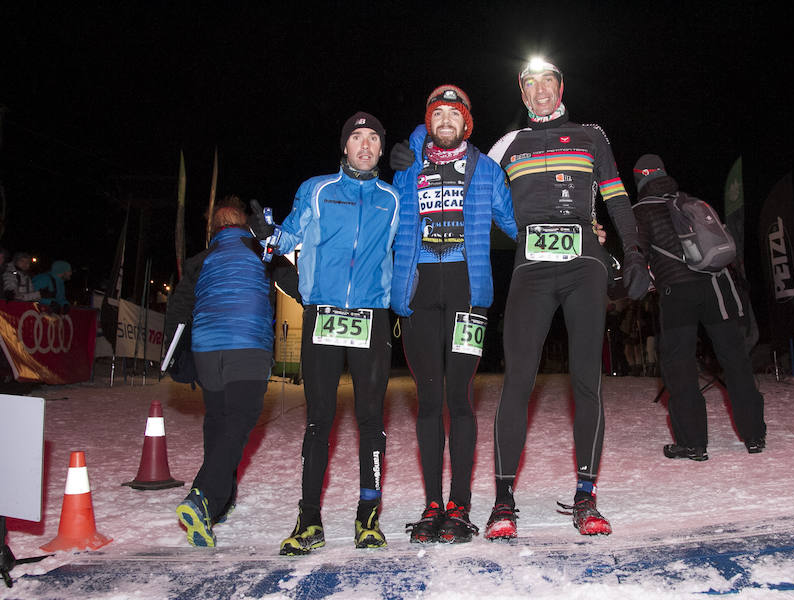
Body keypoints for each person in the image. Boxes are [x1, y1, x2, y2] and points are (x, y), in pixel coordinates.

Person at [484, 58, 650, 540]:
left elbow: (616, 197)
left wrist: (633, 254)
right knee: (518, 379)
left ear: (561, 87)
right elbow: (464, 183)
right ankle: (503, 501)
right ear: (522, 92)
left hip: (585, 265)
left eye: (548, 81)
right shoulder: (505, 146)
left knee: (586, 380)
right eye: (530, 83)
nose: (540, 90)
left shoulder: (591, 135)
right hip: (531, 268)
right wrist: (419, 155)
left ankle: (586, 495)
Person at [252, 112, 400, 555]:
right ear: (344, 146)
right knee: (319, 420)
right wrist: (266, 235)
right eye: (357, 137)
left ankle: (368, 517)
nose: (366, 145)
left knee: (371, 421)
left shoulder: (392, 199)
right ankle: (309, 519)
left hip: (371, 317)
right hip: (324, 316)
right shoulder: (316, 189)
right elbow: (287, 236)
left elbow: (411, 242)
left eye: (373, 138)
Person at [389, 85, 518, 544]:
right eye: (437, 113)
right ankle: (431, 503)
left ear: (467, 123)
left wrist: (580, 227)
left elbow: (517, 222)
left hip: (468, 292)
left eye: (454, 114)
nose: (446, 120)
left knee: (460, 398)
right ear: (429, 121)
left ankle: (459, 505)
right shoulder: (407, 169)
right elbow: (377, 216)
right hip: (419, 291)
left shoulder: (486, 170)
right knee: (427, 400)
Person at [166, 203, 295, 547]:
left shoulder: (200, 259)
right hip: (247, 345)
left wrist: (171, 357)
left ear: (215, 228)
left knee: (219, 421)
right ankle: (202, 495)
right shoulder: (262, 250)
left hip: (207, 349)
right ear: (245, 223)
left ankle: (219, 502)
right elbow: (298, 284)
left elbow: (178, 308)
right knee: (238, 423)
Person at [631, 153, 766, 461]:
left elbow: (637, 255)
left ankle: (693, 442)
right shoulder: (691, 200)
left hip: (677, 293)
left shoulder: (640, 211)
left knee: (679, 366)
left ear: (639, 179)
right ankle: (755, 435)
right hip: (716, 287)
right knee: (735, 360)